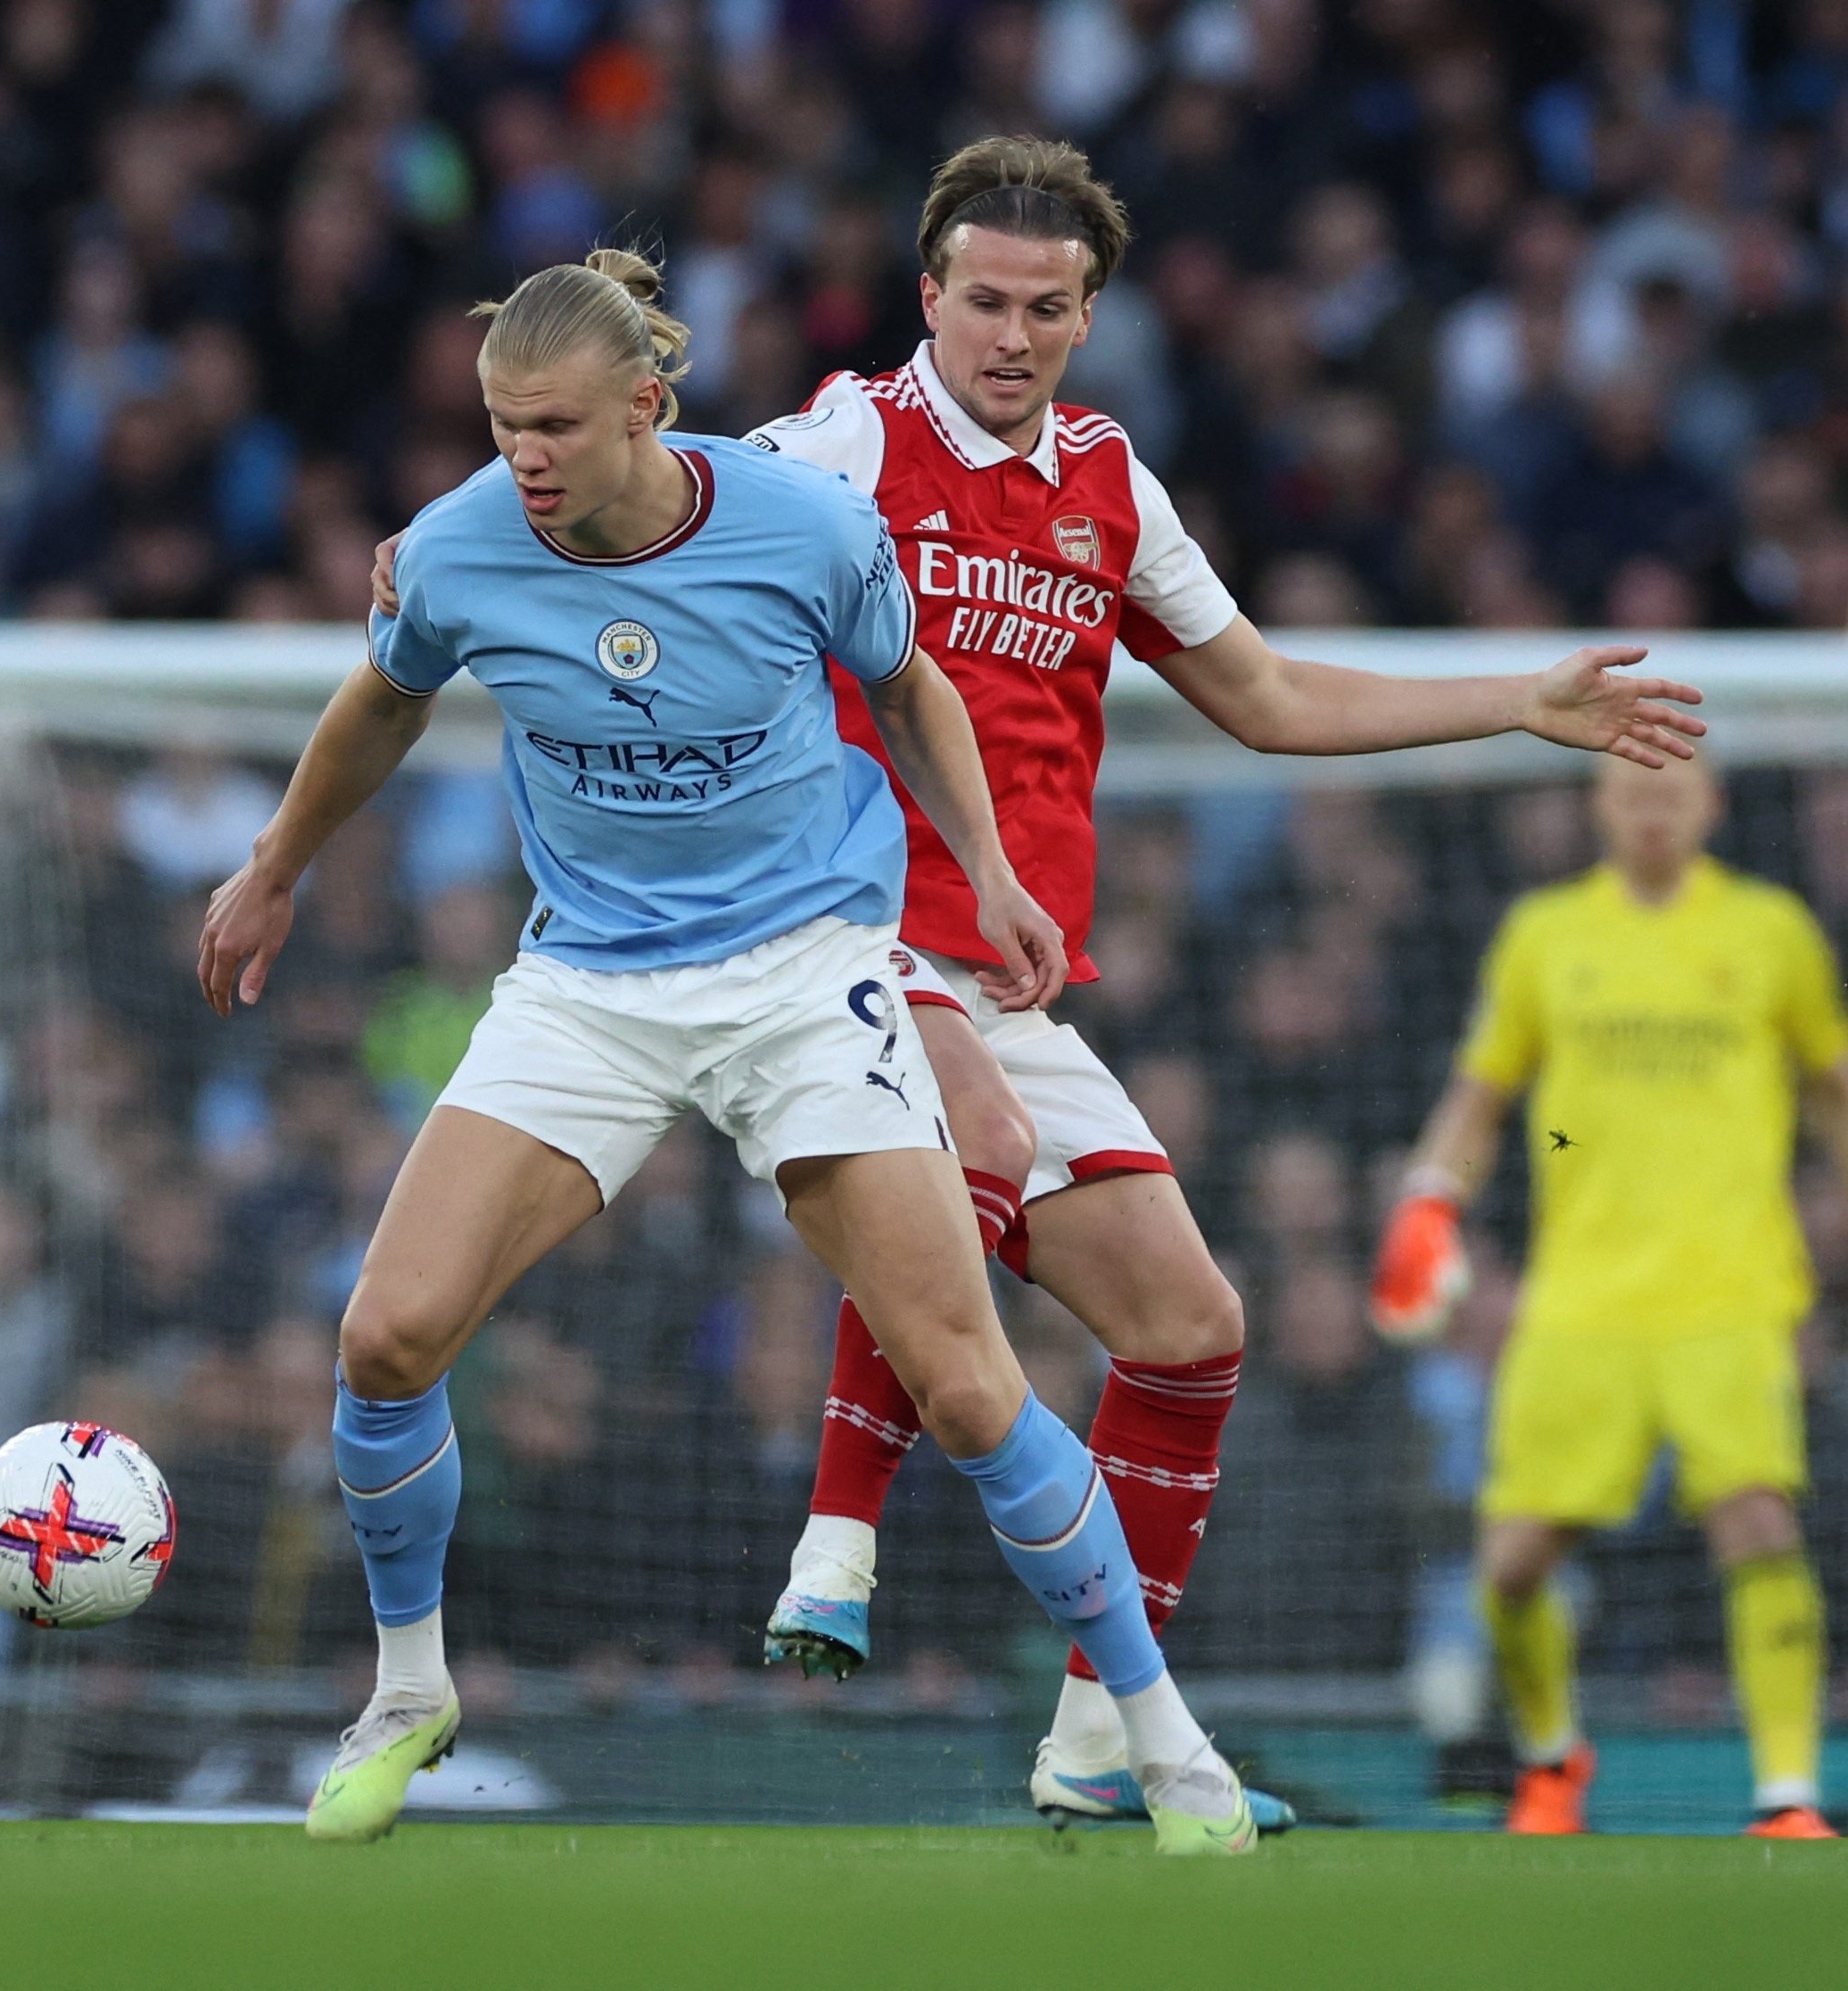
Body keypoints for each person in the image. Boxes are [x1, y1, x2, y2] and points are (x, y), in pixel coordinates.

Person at [373, 137, 1706, 1827]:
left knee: (1189, 1326)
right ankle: (834, 1542)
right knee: (979, 1140)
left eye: (1046, 307)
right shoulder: (846, 438)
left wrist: (1514, 700)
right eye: (982, 299)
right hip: (841, 940)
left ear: (1088, 316)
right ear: (927, 297)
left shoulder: (1108, 486)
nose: (1011, 333)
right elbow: (650, 483)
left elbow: (1268, 697)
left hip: (1005, 965)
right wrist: (457, 536)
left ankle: (1093, 1742)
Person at [202, 248, 1262, 1857]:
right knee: (386, 1338)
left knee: (970, 1388)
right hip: (588, 989)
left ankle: (1162, 1742)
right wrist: (276, 863)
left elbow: (910, 691)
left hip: (800, 972)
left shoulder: (801, 526)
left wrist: (982, 871)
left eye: (555, 424)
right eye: (499, 427)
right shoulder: (462, 547)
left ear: (646, 405)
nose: (525, 460)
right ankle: (407, 1690)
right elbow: (379, 704)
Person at [1371, 754, 1847, 1840]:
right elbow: (1480, 1095)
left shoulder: (1771, 933)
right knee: (1514, 1560)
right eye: (1632, 795)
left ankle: (1786, 1796)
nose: (1651, 813)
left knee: (1759, 1521)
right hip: (1580, 1300)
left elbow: (1831, 1087)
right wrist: (1429, 1203)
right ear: (1600, 806)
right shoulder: (1547, 935)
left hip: (1731, 1290)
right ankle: (1551, 1759)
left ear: (1712, 805)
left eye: (1672, 794)